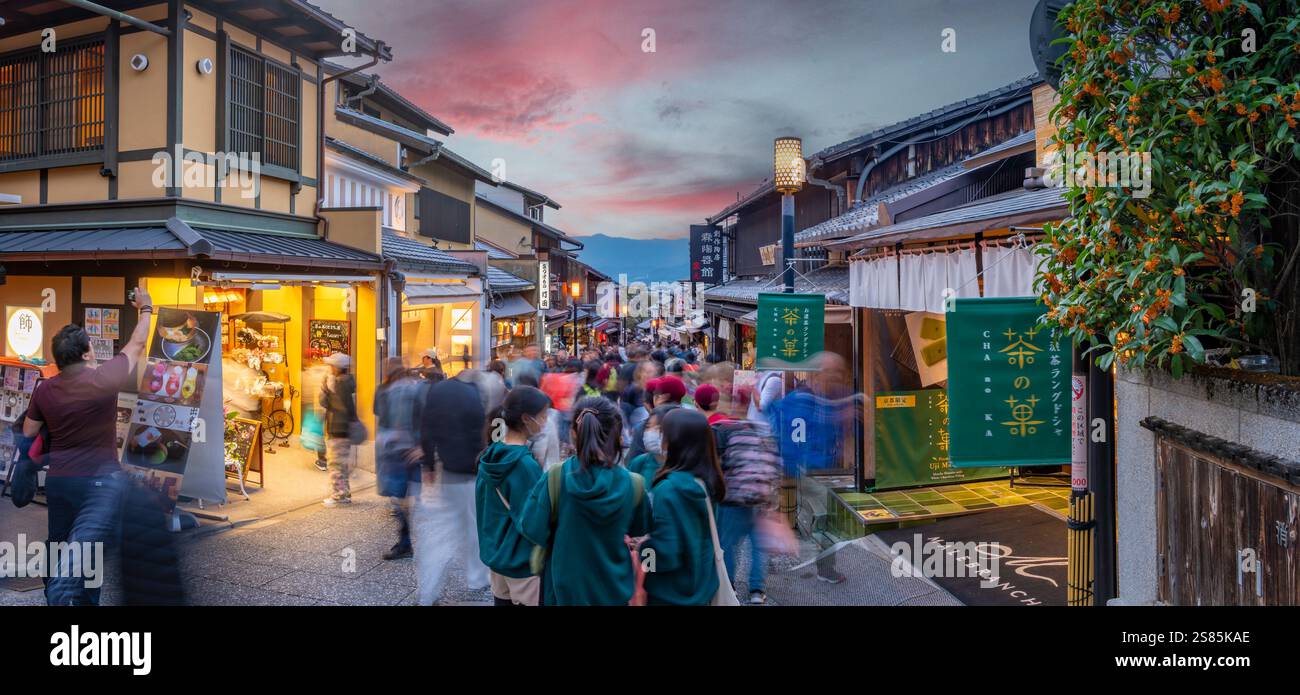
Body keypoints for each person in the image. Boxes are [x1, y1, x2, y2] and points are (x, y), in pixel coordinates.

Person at [24, 285, 153, 605]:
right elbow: (137, 343)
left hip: (60, 480)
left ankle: (52, 592)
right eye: (91, 346)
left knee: (58, 541)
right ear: (85, 354)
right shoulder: (103, 379)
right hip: (96, 482)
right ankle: (86, 602)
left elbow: (29, 430)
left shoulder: (45, 389)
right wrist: (146, 308)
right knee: (89, 549)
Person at [520, 397, 651, 606]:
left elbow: (531, 528)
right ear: (617, 435)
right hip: (614, 588)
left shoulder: (556, 477)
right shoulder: (633, 484)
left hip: (563, 588)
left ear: (573, 432)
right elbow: (639, 529)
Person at [414, 367, 492, 602]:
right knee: (474, 529)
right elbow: (483, 436)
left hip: (447, 470)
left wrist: (428, 464)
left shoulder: (438, 390)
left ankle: (428, 590)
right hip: (472, 472)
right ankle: (478, 578)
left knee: (443, 532)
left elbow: (426, 427)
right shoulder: (475, 396)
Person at [640, 408, 726, 606]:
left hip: (668, 594)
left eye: (663, 433)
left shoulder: (668, 489)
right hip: (701, 588)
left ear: (674, 441)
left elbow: (666, 554)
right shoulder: (706, 483)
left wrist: (643, 553)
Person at [475, 386, 550, 606]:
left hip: (496, 554)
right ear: (527, 419)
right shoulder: (525, 464)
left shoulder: (490, 455)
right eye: (543, 416)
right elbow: (534, 521)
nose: (545, 422)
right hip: (522, 560)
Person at [713, 386, 783, 604]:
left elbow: (718, 465)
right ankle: (756, 592)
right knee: (758, 547)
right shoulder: (762, 429)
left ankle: (730, 588)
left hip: (733, 498)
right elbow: (774, 462)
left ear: (732, 403)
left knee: (728, 545)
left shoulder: (724, 430)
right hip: (761, 496)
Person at [374, 357, 424, 560]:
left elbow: (379, 413)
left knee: (398, 496)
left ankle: (405, 542)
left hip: (395, 450)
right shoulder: (414, 389)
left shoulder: (388, 390)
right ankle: (407, 539)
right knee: (406, 496)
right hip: (411, 449)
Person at [320, 352, 360, 506]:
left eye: (331, 365)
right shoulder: (347, 382)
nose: (329, 368)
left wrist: (326, 389)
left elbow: (329, 404)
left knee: (335, 464)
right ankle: (345, 493)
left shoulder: (339, 384)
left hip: (338, 428)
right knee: (341, 464)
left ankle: (339, 495)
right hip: (344, 429)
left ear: (337, 368)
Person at [626, 405, 675, 484]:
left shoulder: (684, 470)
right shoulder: (640, 462)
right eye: (648, 426)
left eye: (659, 428)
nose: (651, 432)